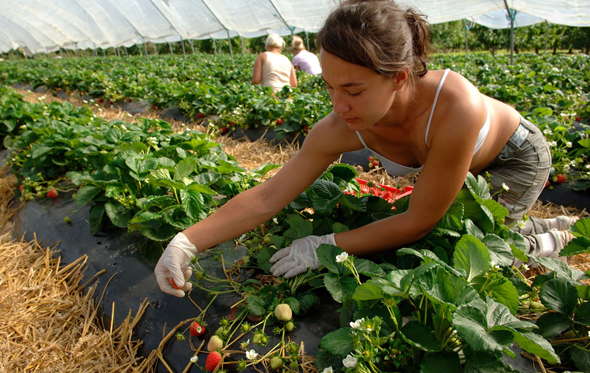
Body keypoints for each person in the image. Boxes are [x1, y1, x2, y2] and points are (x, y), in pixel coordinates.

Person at [155, 0, 578, 297]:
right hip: (458, 164)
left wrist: (325, 246)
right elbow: (268, 195)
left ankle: (551, 242)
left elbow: (418, 221)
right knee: (451, 236)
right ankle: (542, 225)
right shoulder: (340, 126)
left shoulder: (455, 108)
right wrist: (186, 242)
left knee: (468, 256)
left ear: (398, 76)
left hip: (514, 158)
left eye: (353, 90)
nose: (339, 105)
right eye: (330, 87)